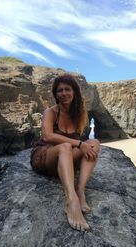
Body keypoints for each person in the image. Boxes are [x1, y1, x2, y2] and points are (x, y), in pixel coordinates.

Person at [30, 74, 100, 232]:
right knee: (65, 147)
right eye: (59, 90)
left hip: (64, 161)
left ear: (74, 91)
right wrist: (80, 144)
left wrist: (84, 145)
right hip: (44, 156)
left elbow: (84, 144)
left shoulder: (79, 113)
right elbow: (47, 136)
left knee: (94, 143)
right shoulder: (51, 112)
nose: (63, 93)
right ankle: (71, 200)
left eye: (67, 89)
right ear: (55, 94)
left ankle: (80, 189)